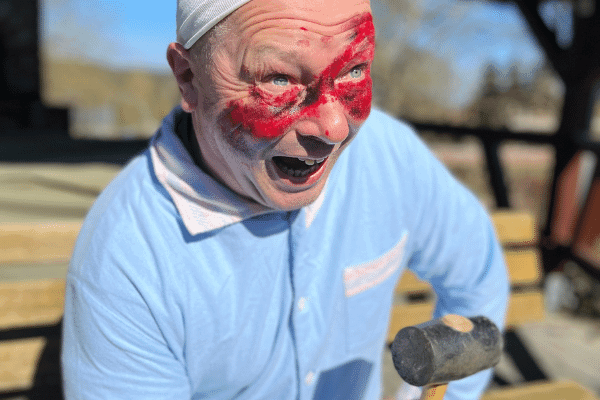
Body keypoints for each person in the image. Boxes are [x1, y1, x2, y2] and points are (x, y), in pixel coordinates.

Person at [61, 0, 509, 399]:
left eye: (354, 71)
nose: (333, 127)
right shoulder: (126, 256)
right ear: (188, 79)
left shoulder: (388, 155)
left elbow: (477, 272)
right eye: (278, 79)